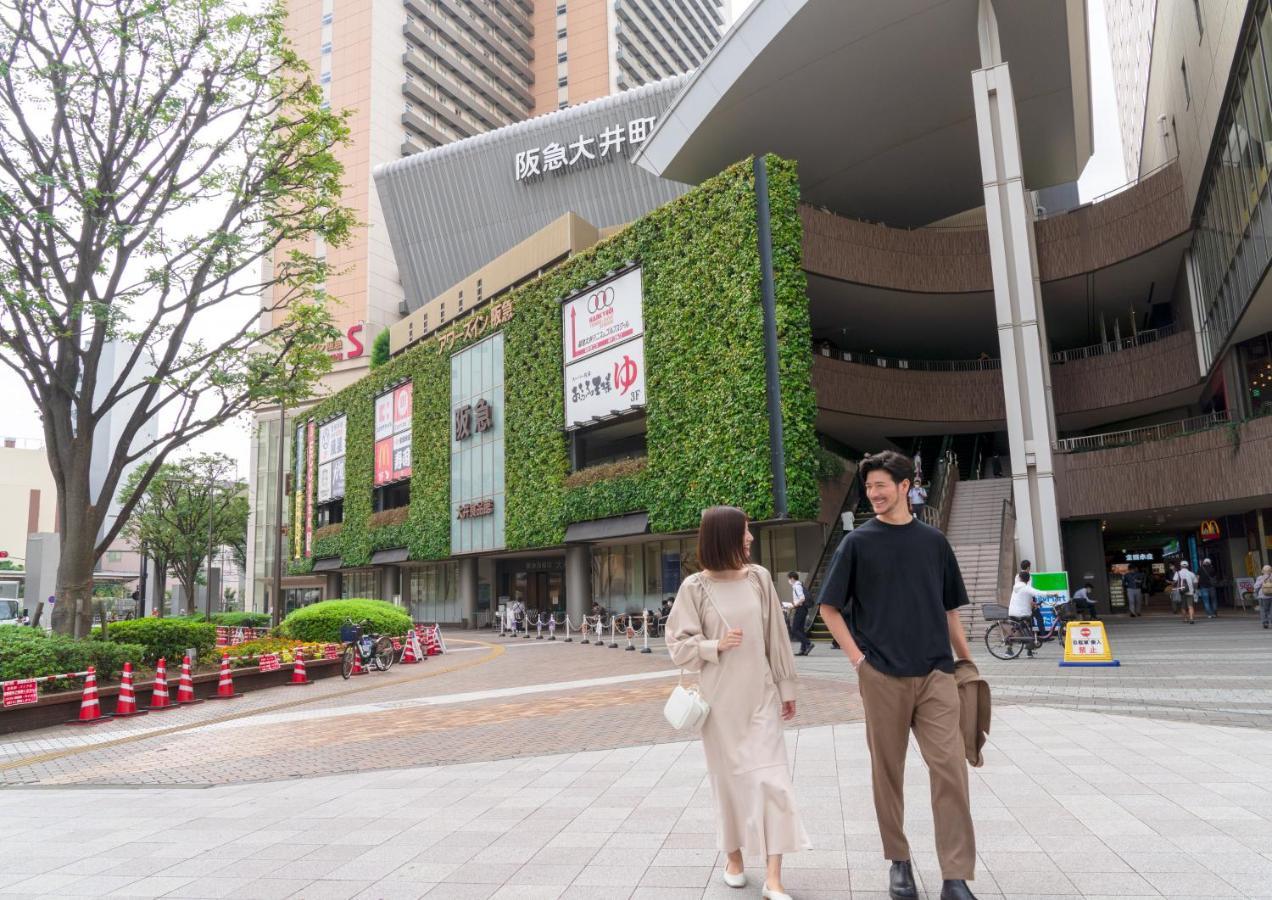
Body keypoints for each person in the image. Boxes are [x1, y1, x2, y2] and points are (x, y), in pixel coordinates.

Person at [817, 451, 979, 900]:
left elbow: (949, 611)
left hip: (935, 674)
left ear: (906, 486)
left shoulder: (934, 543)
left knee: (949, 771)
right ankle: (899, 862)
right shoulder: (857, 543)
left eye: (881, 486)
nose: (873, 494)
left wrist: (967, 665)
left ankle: (955, 875)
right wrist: (858, 662)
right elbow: (828, 608)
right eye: (869, 488)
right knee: (887, 773)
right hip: (881, 675)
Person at [666, 506, 808, 900]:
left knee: (774, 782)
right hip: (720, 705)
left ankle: (774, 878)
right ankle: (734, 859)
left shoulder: (760, 578)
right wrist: (714, 645)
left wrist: (787, 689)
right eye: (744, 532)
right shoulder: (694, 587)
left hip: (761, 697)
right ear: (725, 536)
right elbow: (677, 646)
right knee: (727, 784)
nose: (750, 539)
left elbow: (776, 639)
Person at [1008, 572, 1049, 657]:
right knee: (1028, 628)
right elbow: (1037, 592)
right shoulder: (1026, 588)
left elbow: (1024, 599)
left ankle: (1010, 649)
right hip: (1021, 613)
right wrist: (1051, 594)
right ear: (1029, 580)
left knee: (1016, 629)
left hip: (1012, 612)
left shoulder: (1016, 587)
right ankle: (1028, 651)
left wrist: (1034, 604)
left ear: (1019, 578)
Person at [788, 571, 813, 657]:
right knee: (801, 630)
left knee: (794, 629)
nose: (789, 581)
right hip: (802, 609)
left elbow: (802, 598)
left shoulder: (796, 586)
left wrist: (794, 605)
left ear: (792, 578)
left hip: (800, 609)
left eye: (789, 579)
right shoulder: (799, 585)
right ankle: (803, 649)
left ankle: (808, 643)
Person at [1255, 565, 1272, 630]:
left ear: (1262, 571)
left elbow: (1256, 587)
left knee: (1263, 609)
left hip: (1262, 596)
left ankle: (1265, 623)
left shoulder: (1260, 578)